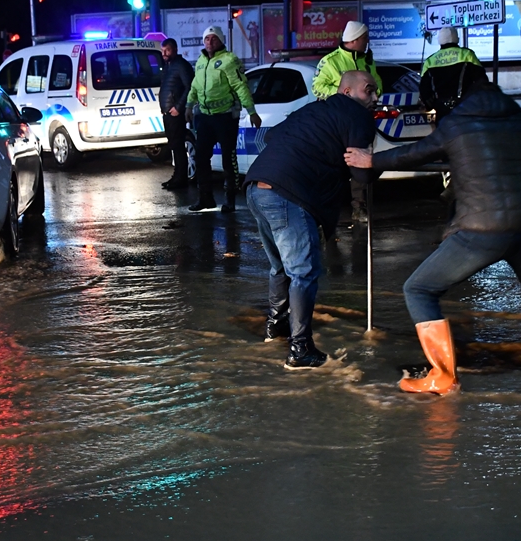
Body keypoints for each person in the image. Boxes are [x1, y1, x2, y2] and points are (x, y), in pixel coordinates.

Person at [344, 76, 521, 394]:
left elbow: (415, 154)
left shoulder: (457, 124)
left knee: (419, 289)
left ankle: (442, 376)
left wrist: (372, 159)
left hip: (483, 231)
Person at [245, 71, 380, 369]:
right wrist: (377, 164)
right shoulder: (358, 116)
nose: (375, 99)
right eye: (370, 91)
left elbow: (271, 136)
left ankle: (276, 326)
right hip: (287, 193)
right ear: (350, 91)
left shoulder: (314, 109)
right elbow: (361, 172)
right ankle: (300, 349)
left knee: (281, 266)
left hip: (256, 187)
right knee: (303, 272)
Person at [312, 21, 384, 225]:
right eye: (365, 37)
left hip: (362, 119)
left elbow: (377, 84)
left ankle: (359, 207)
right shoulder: (331, 61)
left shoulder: (368, 61)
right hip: (337, 121)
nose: (367, 41)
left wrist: (374, 97)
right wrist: (343, 96)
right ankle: (326, 210)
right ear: (355, 39)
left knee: (360, 160)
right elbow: (317, 88)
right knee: (334, 163)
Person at [185, 26, 261, 213]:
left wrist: (251, 111)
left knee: (229, 158)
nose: (210, 42)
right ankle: (205, 198)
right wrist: (188, 105)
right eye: (207, 39)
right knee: (201, 158)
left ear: (221, 41)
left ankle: (230, 199)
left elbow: (240, 86)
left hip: (225, 117)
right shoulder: (201, 61)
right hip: (204, 117)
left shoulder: (229, 60)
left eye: (214, 39)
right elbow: (195, 86)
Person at [420, 27, 486, 123]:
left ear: (440, 40)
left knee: (444, 136)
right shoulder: (467, 55)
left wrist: (430, 106)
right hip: (466, 108)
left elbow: (424, 89)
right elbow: (482, 81)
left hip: (442, 110)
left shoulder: (430, 61)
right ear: (457, 39)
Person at [159, 38, 195, 190]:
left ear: (174, 49)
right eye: (162, 51)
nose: (164, 54)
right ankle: (177, 176)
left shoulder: (181, 65)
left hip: (175, 113)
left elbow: (189, 87)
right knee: (174, 146)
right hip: (168, 112)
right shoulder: (169, 66)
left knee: (179, 146)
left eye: (167, 50)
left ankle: (181, 178)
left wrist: (179, 107)